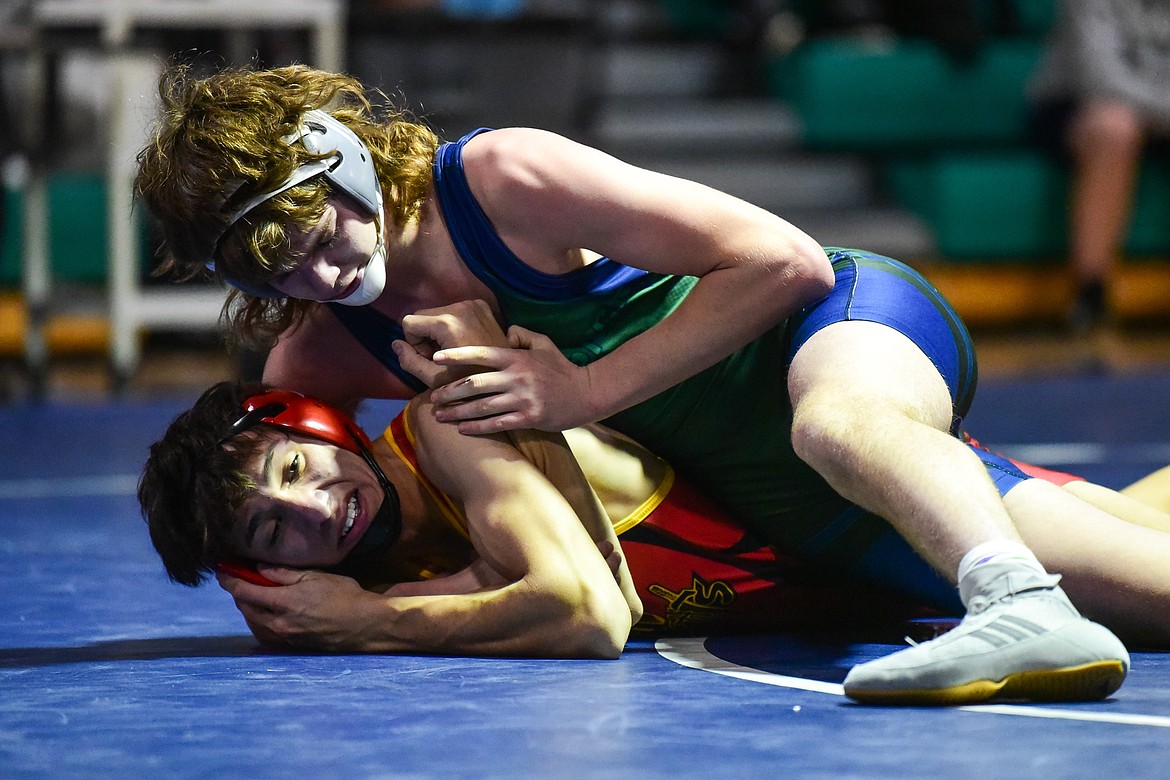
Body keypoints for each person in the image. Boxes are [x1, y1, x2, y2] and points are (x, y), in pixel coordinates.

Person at [135, 64, 1136, 705]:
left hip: (824, 336)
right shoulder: (318, 359)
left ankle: (1015, 603)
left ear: (338, 157)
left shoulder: (500, 183)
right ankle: (1024, 579)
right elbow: (259, 503)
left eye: (316, 241)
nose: (320, 279)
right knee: (1142, 575)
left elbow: (784, 263)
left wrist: (578, 395)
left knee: (836, 424)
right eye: (278, 277)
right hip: (778, 500)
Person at [1029, 0, 1170, 332]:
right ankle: (1091, 295)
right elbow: (1101, 77)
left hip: (1158, 109)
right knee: (1115, 128)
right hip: (1073, 101)